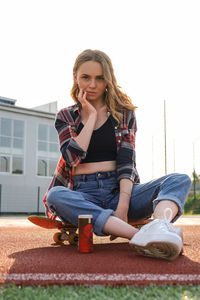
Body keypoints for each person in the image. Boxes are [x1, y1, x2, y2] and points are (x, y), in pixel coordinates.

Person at [44, 49, 191, 260]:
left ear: (108, 80)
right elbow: (72, 158)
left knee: (179, 180)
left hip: (120, 191)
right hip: (84, 194)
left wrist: (123, 205)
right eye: (86, 77)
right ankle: (140, 236)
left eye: (100, 78)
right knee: (55, 195)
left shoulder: (124, 113)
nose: (92, 85)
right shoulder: (66, 116)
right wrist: (92, 115)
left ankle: (161, 227)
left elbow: (126, 162)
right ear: (75, 76)